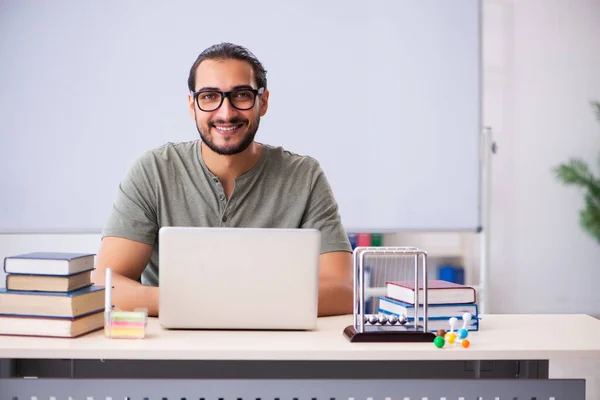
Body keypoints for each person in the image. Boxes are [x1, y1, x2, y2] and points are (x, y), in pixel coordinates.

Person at [93, 43, 353, 317]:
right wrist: (216, 303)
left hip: (274, 351)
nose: (226, 113)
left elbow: (342, 289)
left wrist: (220, 303)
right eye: (209, 96)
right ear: (192, 105)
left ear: (262, 102)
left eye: (241, 95)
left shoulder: (304, 176)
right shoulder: (153, 171)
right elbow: (106, 285)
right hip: (171, 351)